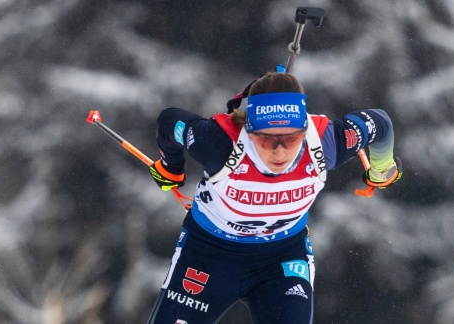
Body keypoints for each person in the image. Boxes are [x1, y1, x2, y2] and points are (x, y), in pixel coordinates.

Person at [147, 66, 402, 324]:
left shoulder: (326, 143)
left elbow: (379, 123)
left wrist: (383, 169)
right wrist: (171, 168)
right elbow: (169, 121)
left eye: (291, 140)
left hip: (281, 259)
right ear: (249, 129)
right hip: (209, 253)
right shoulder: (219, 143)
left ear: (304, 129)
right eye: (267, 141)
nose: (279, 153)